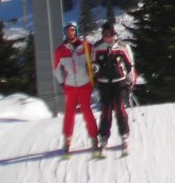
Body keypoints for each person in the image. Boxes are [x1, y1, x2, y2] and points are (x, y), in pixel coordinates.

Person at [52, 22, 99, 154]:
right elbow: (56, 70)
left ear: (76, 31)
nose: (70, 33)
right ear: (65, 32)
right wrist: (62, 83)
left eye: (72, 30)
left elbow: (95, 62)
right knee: (69, 113)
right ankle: (67, 139)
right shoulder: (60, 51)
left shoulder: (86, 46)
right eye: (67, 30)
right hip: (70, 86)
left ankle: (94, 137)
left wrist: (94, 76)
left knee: (87, 111)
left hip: (85, 84)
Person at [92, 21, 135, 152]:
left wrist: (130, 80)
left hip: (119, 82)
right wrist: (95, 76)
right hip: (104, 83)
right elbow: (93, 65)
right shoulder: (97, 47)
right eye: (105, 35)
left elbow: (129, 65)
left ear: (114, 34)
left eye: (110, 34)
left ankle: (124, 134)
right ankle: (104, 136)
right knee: (105, 110)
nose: (108, 37)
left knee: (119, 108)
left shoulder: (122, 46)